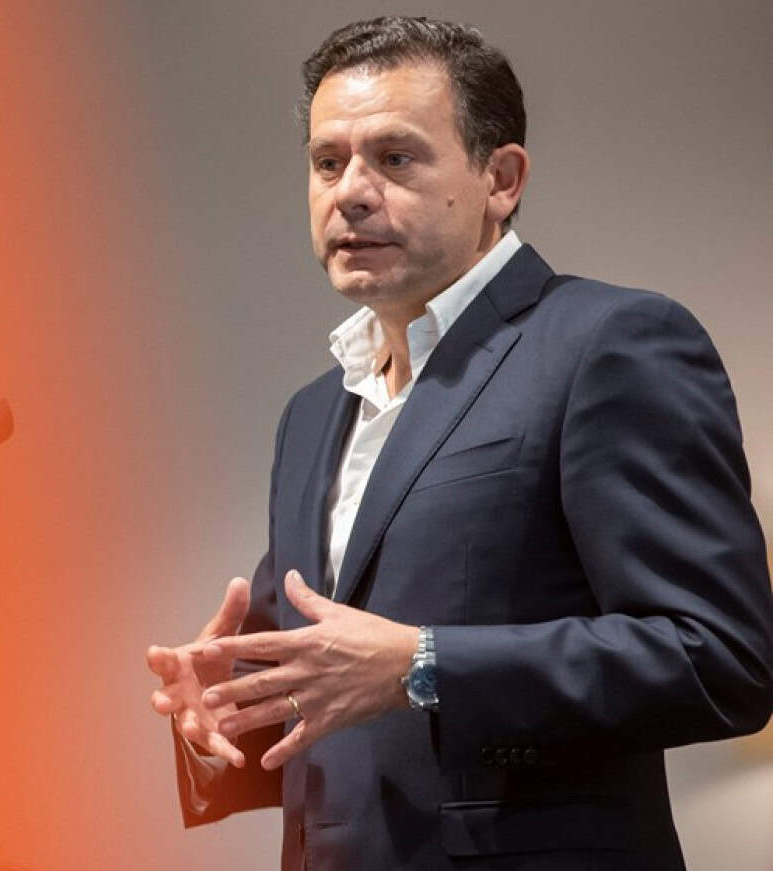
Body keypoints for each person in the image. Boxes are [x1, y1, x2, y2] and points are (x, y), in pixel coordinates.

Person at [145, 15, 773, 871]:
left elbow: (721, 658)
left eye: (395, 157)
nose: (350, 191)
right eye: (327, 162)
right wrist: (220, 721)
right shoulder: (312, 414)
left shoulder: (609, 344)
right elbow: (325, 695)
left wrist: (426, 665)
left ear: (500, 179)